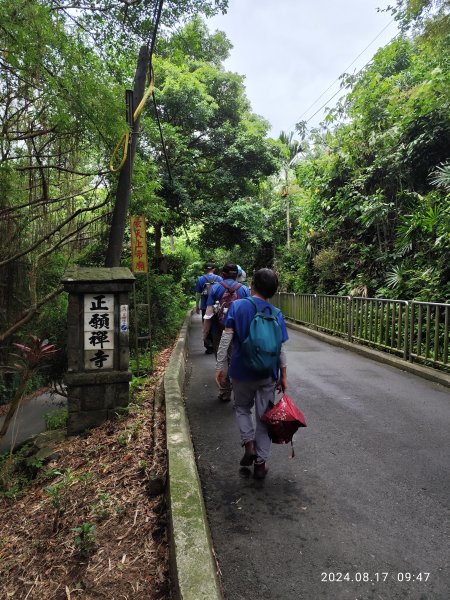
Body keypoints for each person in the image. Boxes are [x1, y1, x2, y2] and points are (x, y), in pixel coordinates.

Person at [215, 268, 288, 479]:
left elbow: (226, 339)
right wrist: (283, 375)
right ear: (273, 291)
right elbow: (280, 349)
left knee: (242, 408)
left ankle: (249, 445)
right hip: (268, 373)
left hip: (241, 371)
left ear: (252, 285)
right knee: (264, 417)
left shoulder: (237, 306)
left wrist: (220, 366)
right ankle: (260, 464)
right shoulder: (276, 313)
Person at [203, 263, 251, 401]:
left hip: (219, 329)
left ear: (222, 274)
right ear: (237, 275)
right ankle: (239, 391)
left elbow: (209, 312)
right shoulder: (244, 289)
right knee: (238, 357)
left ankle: (225, 392)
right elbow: (248, 311)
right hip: (239, 329)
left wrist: (205, 332)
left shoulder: (216, 288)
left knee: (222, 357)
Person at [195, 262, 222, 354]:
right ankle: (217, 345)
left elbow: (198, 294)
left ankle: (209, 346)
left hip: (205, 306)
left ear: (205, 269)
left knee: (207, 326)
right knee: (218, 325)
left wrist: (196, 305)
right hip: (217, 306)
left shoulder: (200, 279)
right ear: (214, 269)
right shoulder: (219, 278)